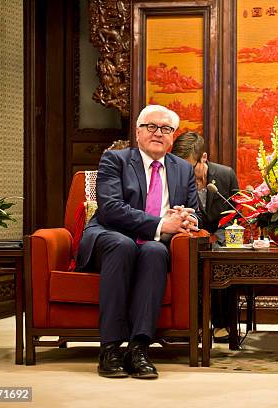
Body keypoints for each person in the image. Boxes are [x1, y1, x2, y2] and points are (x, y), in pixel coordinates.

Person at [76, 105, 201, 379]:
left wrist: (186, 219)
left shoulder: (182, 169)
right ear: (138, 131)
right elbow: (110, 208)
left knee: (156, 251)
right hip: (109, 236)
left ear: (173, 136)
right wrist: (159, 224)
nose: (158, 133)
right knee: (124, 245)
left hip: (154, 243)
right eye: (151, 127)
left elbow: (196, 212)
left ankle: (139, 348)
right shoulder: (115, 160)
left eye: (166, 129)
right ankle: (109, 349)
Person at [171, 131, 239, 343]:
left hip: (219, 237)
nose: (185, 172)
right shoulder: (174, 178)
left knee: (220, 257)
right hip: (189, 237)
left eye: (190, 167)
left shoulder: (225, 175)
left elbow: (235, 214)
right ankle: (192, 325)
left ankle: (221, 324)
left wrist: (215, 237)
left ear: (204, 158)